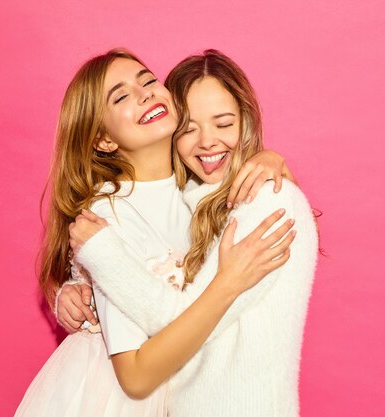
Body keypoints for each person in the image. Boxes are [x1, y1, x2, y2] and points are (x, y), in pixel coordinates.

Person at [15, 49, 296, 417]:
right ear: (103, 140)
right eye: (121, 96)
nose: (144, 92)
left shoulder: (198, 186)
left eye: (148, 80)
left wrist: (271, 159)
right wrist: (230, 281)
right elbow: (135, 377)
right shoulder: (107, 217)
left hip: (192, 389)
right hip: (118, 401)